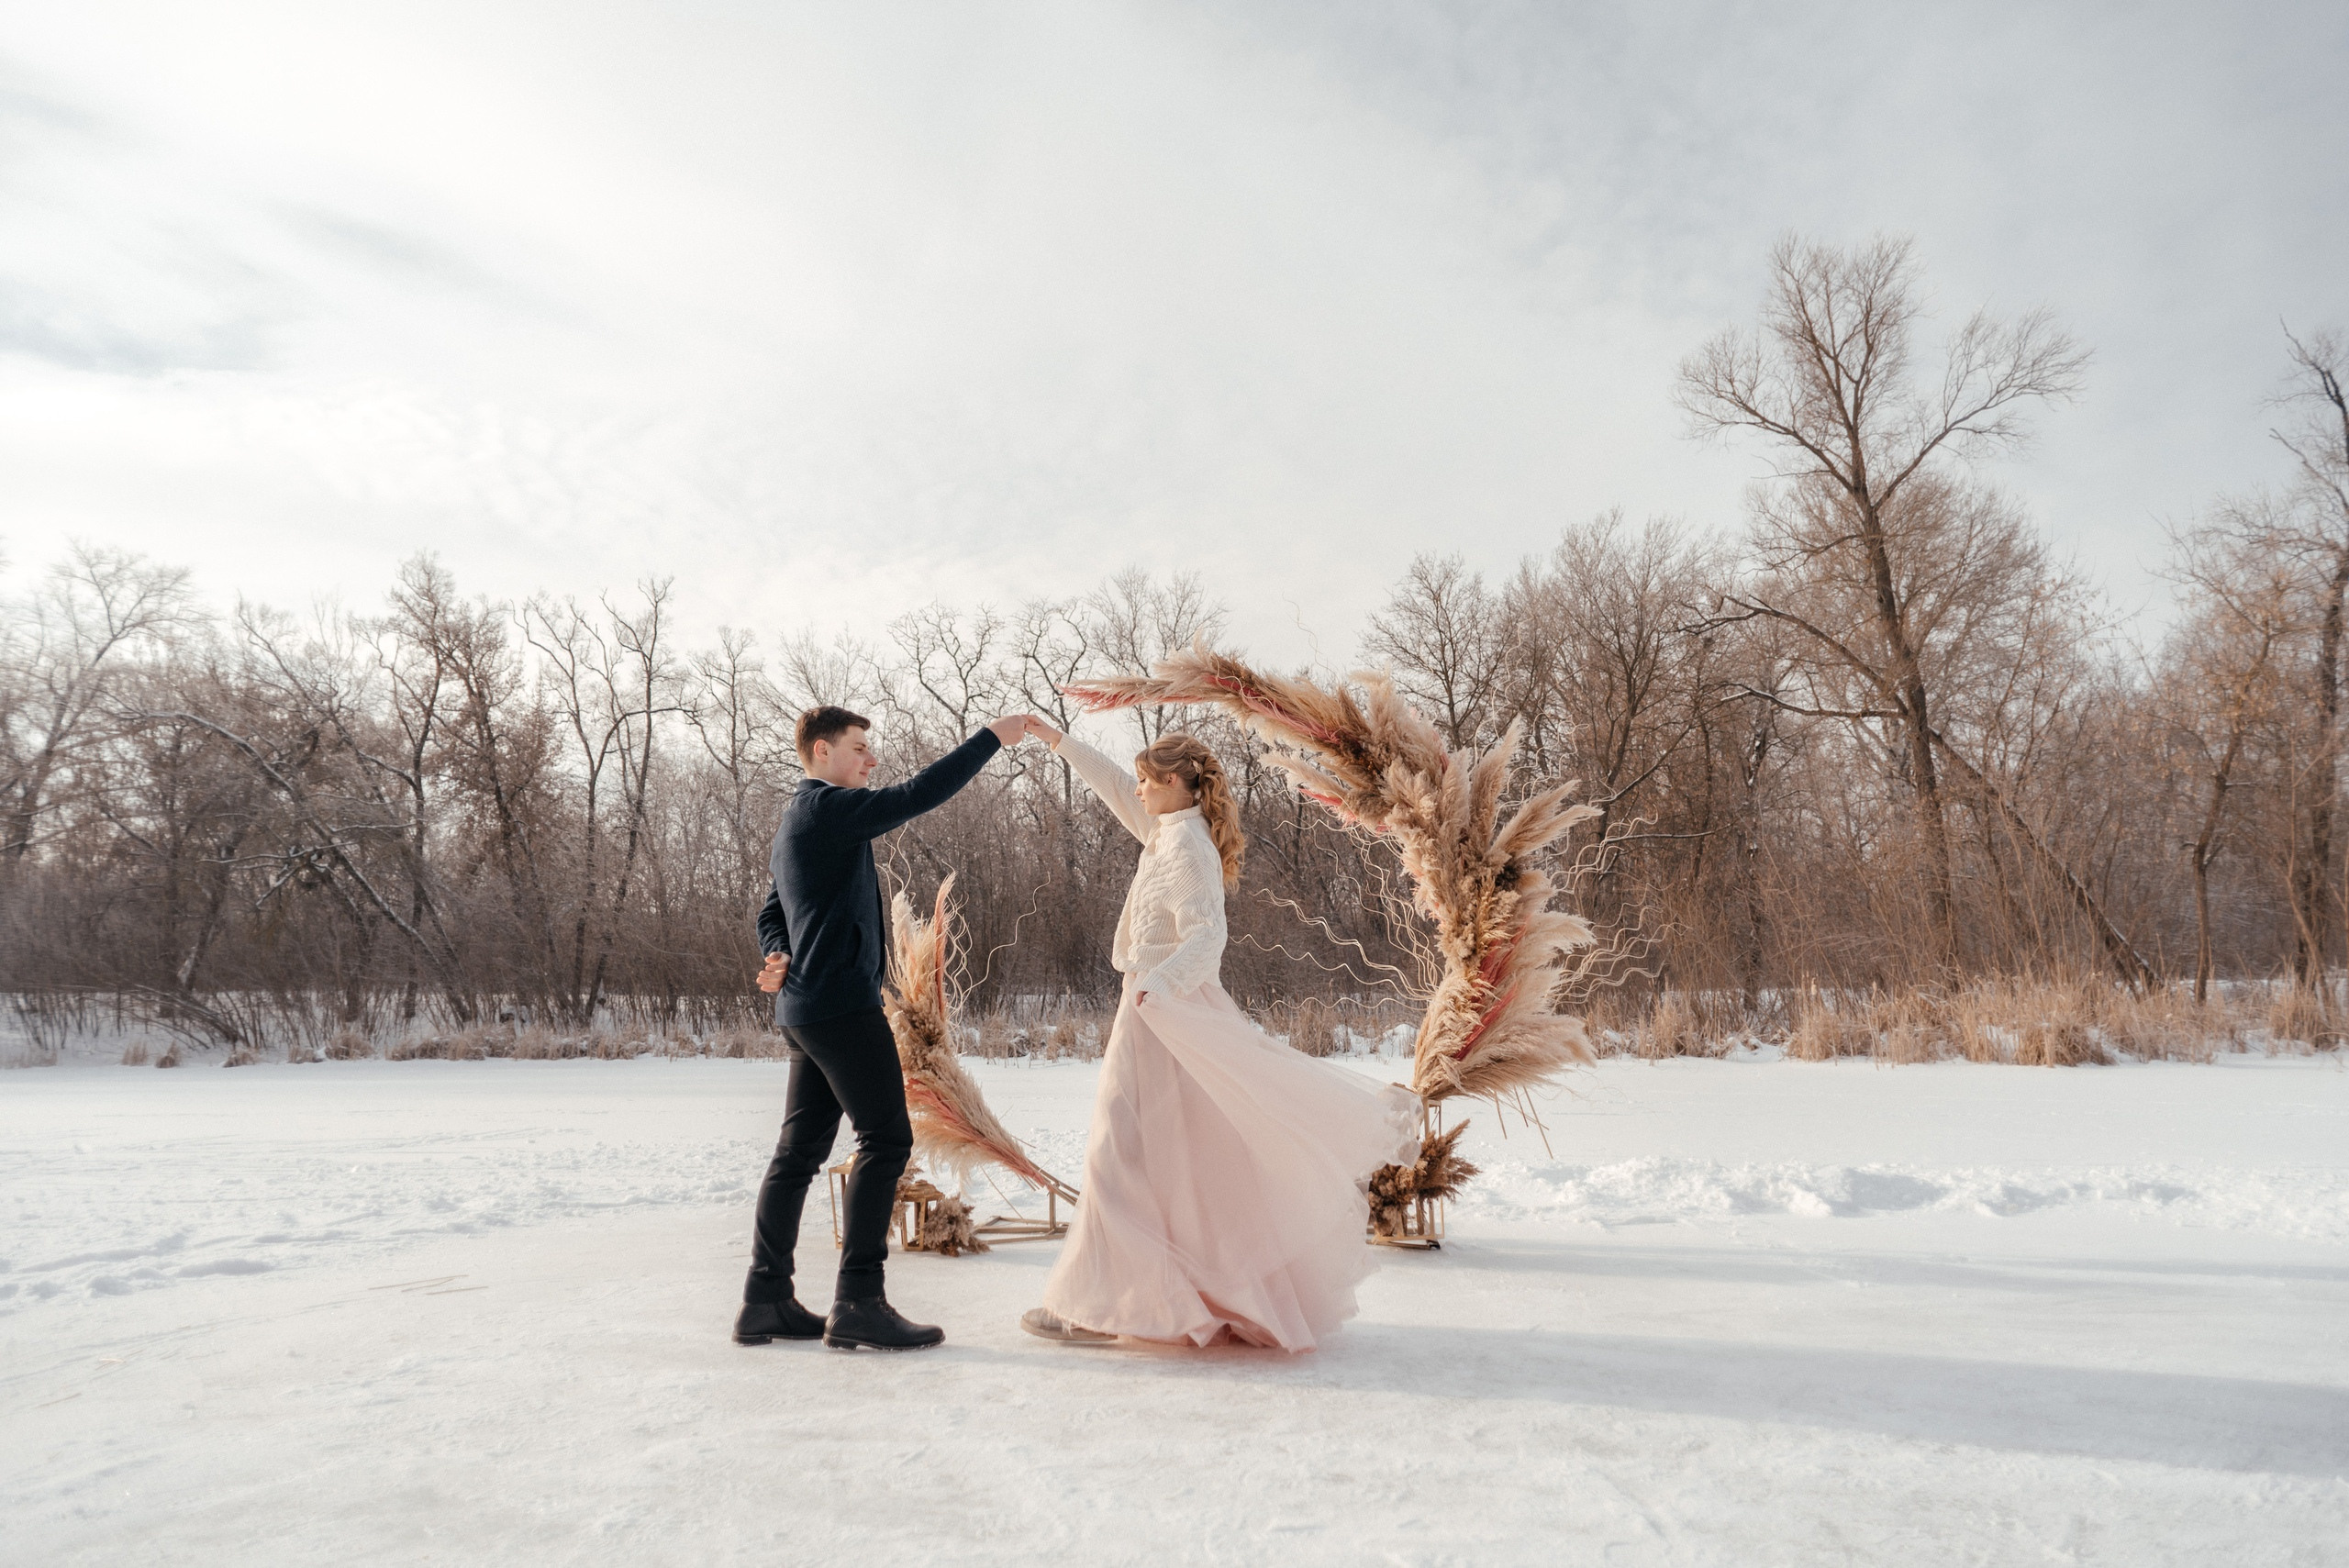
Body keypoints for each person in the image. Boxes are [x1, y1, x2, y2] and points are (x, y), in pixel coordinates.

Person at [1019, 720, 1419, 1351]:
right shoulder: (1166, 830)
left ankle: (1098, 1307)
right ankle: (1161, 1297)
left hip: (1163, 1007)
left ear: (1173, 783)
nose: (1138, 791)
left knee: (1116, 1153)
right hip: (1158, 1003)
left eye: (1148, 781)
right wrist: (1055, 739)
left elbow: (1207, 937)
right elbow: (1115, 787)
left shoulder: (1187, 847)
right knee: (1179, 1158)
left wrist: (1158, 985)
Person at [735, 704, 1036, 1352]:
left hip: (807, 1010)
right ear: (822, 752)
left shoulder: (799, 819)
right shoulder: (826, 808)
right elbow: (916, 795)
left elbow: (771, 909)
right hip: (842, 1008)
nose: (871, 760)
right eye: (859, 747)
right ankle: (859, 1302)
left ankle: (765, 1300)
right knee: (887, 1139)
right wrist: (991, 738)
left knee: (797, 1156)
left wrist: (777, 950)